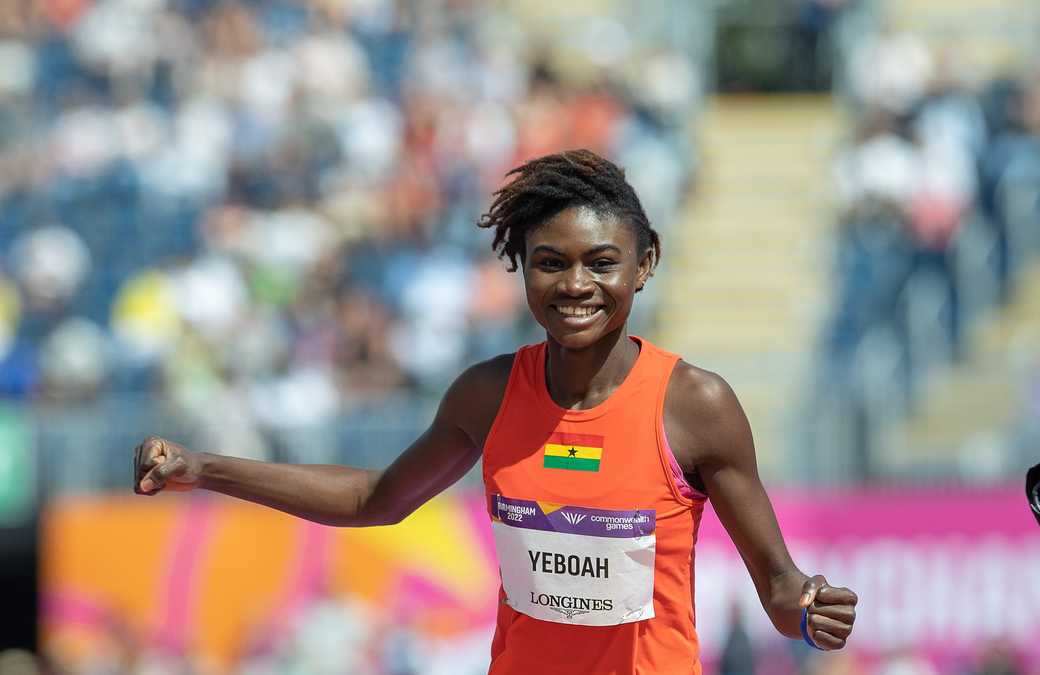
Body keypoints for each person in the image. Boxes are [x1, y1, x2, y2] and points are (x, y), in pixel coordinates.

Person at [134, 149, 858, 674]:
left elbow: (780, 588)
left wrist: (810, 609)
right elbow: (374, 498)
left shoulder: (696, 405)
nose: (576, 283)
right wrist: (205, 468)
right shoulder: (487, 394)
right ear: (522, 266)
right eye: (550, 261)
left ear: (644, 264)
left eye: (602, 262)